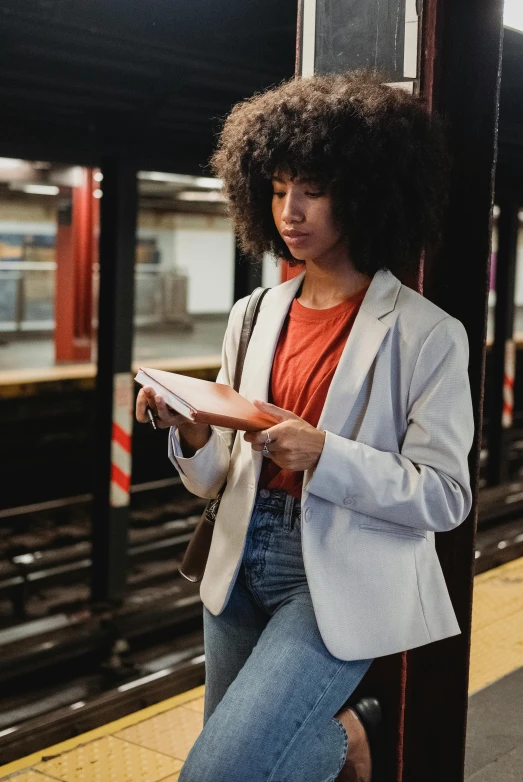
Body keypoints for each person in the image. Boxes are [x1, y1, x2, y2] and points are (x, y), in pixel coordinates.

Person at [136, 70, 474, 782]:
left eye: (313, 190)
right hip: (238, 561)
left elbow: (445, 497)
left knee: (217, 774)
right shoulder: (253, 313)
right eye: (279, 187)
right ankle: (348, 733)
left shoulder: (425, 334)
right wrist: (193, 433)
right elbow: (215, 480)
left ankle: (354, 726)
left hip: (332, 579)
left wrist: (325, 452)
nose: (290, 211)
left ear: (364, 193)